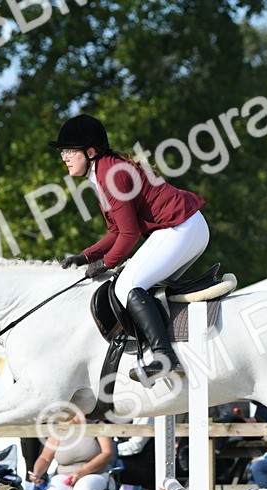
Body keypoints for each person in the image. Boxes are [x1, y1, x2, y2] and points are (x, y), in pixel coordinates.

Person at [49, 114, 208, 381]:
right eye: (63, 151)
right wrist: (87, 255)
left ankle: (164, 357)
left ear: (90, 152)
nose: (64, 157)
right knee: (142, 287)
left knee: (126, 287)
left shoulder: (110, 174)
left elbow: (129, 234)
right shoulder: (102, 172)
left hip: (179, 228)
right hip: (188, 227)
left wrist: (104, 264)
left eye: (69, 151)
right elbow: (116, 231)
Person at [116, 417, 156, 490]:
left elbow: (136, 446)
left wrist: (107, 451)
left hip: (147, 467)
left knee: (106, 465)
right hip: (135, 462)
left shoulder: (146, 415)